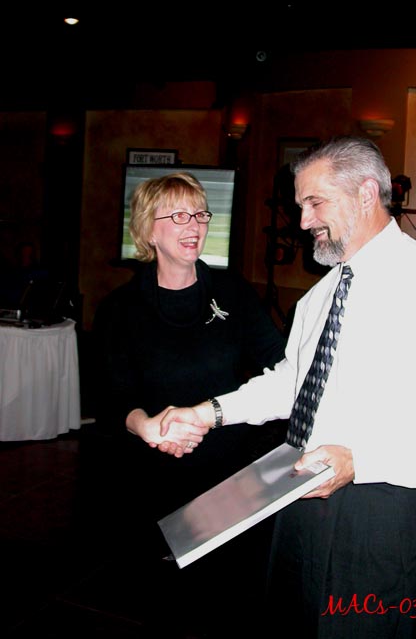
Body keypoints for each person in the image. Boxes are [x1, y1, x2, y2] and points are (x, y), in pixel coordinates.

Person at [157, 137, 416, 639]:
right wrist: (207, 412)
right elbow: (292, 382)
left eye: (314, 202)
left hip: (381, 516)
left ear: (366, 194)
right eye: (300, 206)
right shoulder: (320, 295)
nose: (303, 220)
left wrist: (360, 461)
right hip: (297, 497)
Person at [92, 171, 286, 637]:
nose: (194, 224)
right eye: (178, 215)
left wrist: (214, 416)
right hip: (152, 474)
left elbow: (279, 365)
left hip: (230, 472)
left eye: (199, 214)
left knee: (229, 597)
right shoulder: (120, 308)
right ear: (148, 230)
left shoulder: (233, 292)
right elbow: (113, 397)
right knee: (167, 601)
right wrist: (146, 426)